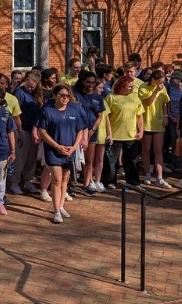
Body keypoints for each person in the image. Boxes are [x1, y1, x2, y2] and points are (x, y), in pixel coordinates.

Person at [38, 85, 87, 223]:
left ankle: (61, 206)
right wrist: (57, 146)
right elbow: (42, 131)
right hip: (53, 150)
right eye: (62, 95)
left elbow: (80, 130)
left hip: (69, 150)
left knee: (65, 179)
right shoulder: (47, 111)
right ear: (54, 96)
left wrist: (74, 147)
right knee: (57, 180)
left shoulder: (74, 110)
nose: (65, 97)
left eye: (67, 95)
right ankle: (56, 211)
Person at [104, 76, 144, 187]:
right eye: (130, 86)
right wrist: (109, 133)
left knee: (132, 160)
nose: (132, 89)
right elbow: (106, 117)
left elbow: (139, 116)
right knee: (112, 161)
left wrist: (141, 131)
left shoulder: (135, 98)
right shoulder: (111, 97)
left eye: (133, 86)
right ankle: (110, 181)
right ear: (121, 86)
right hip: (115, 135)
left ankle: (133, 182)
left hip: (131, 135)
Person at [76, 71, 110, 194]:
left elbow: (100, 116)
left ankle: (87, 184)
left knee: (89, 160)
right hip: (77, 131)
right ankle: (70, 183)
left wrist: (92, 130)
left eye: (93, 82)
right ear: (83, 82)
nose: (91, 85)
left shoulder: (98, 98)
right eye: (88, 82)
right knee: (74, 159)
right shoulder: (76, 95)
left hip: (92, 132)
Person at [13, 71, 44, 195]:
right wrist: (18, 131)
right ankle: (15, 181)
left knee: (32, 158)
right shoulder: (20, 93)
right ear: (25, 81)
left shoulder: (37, 94)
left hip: (34, 130)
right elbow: (16, 113)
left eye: (33, 87)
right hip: (23, 129)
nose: (30, 88)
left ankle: (28, 180)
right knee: (20, 158)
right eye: (28, 86)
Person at [139, 70, 171, 188]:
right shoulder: (143, 87)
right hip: (146, 121)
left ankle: (159, 177)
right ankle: (147, 174)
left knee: (158, 150)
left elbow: (165, 102)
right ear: (153, 79)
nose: (161, 84)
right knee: (146, 149)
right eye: (159, 82)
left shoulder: (162, 88)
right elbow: (147, 102)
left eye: (162, 82)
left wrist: (166, 115)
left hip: (158, 122)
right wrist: (156, 91)